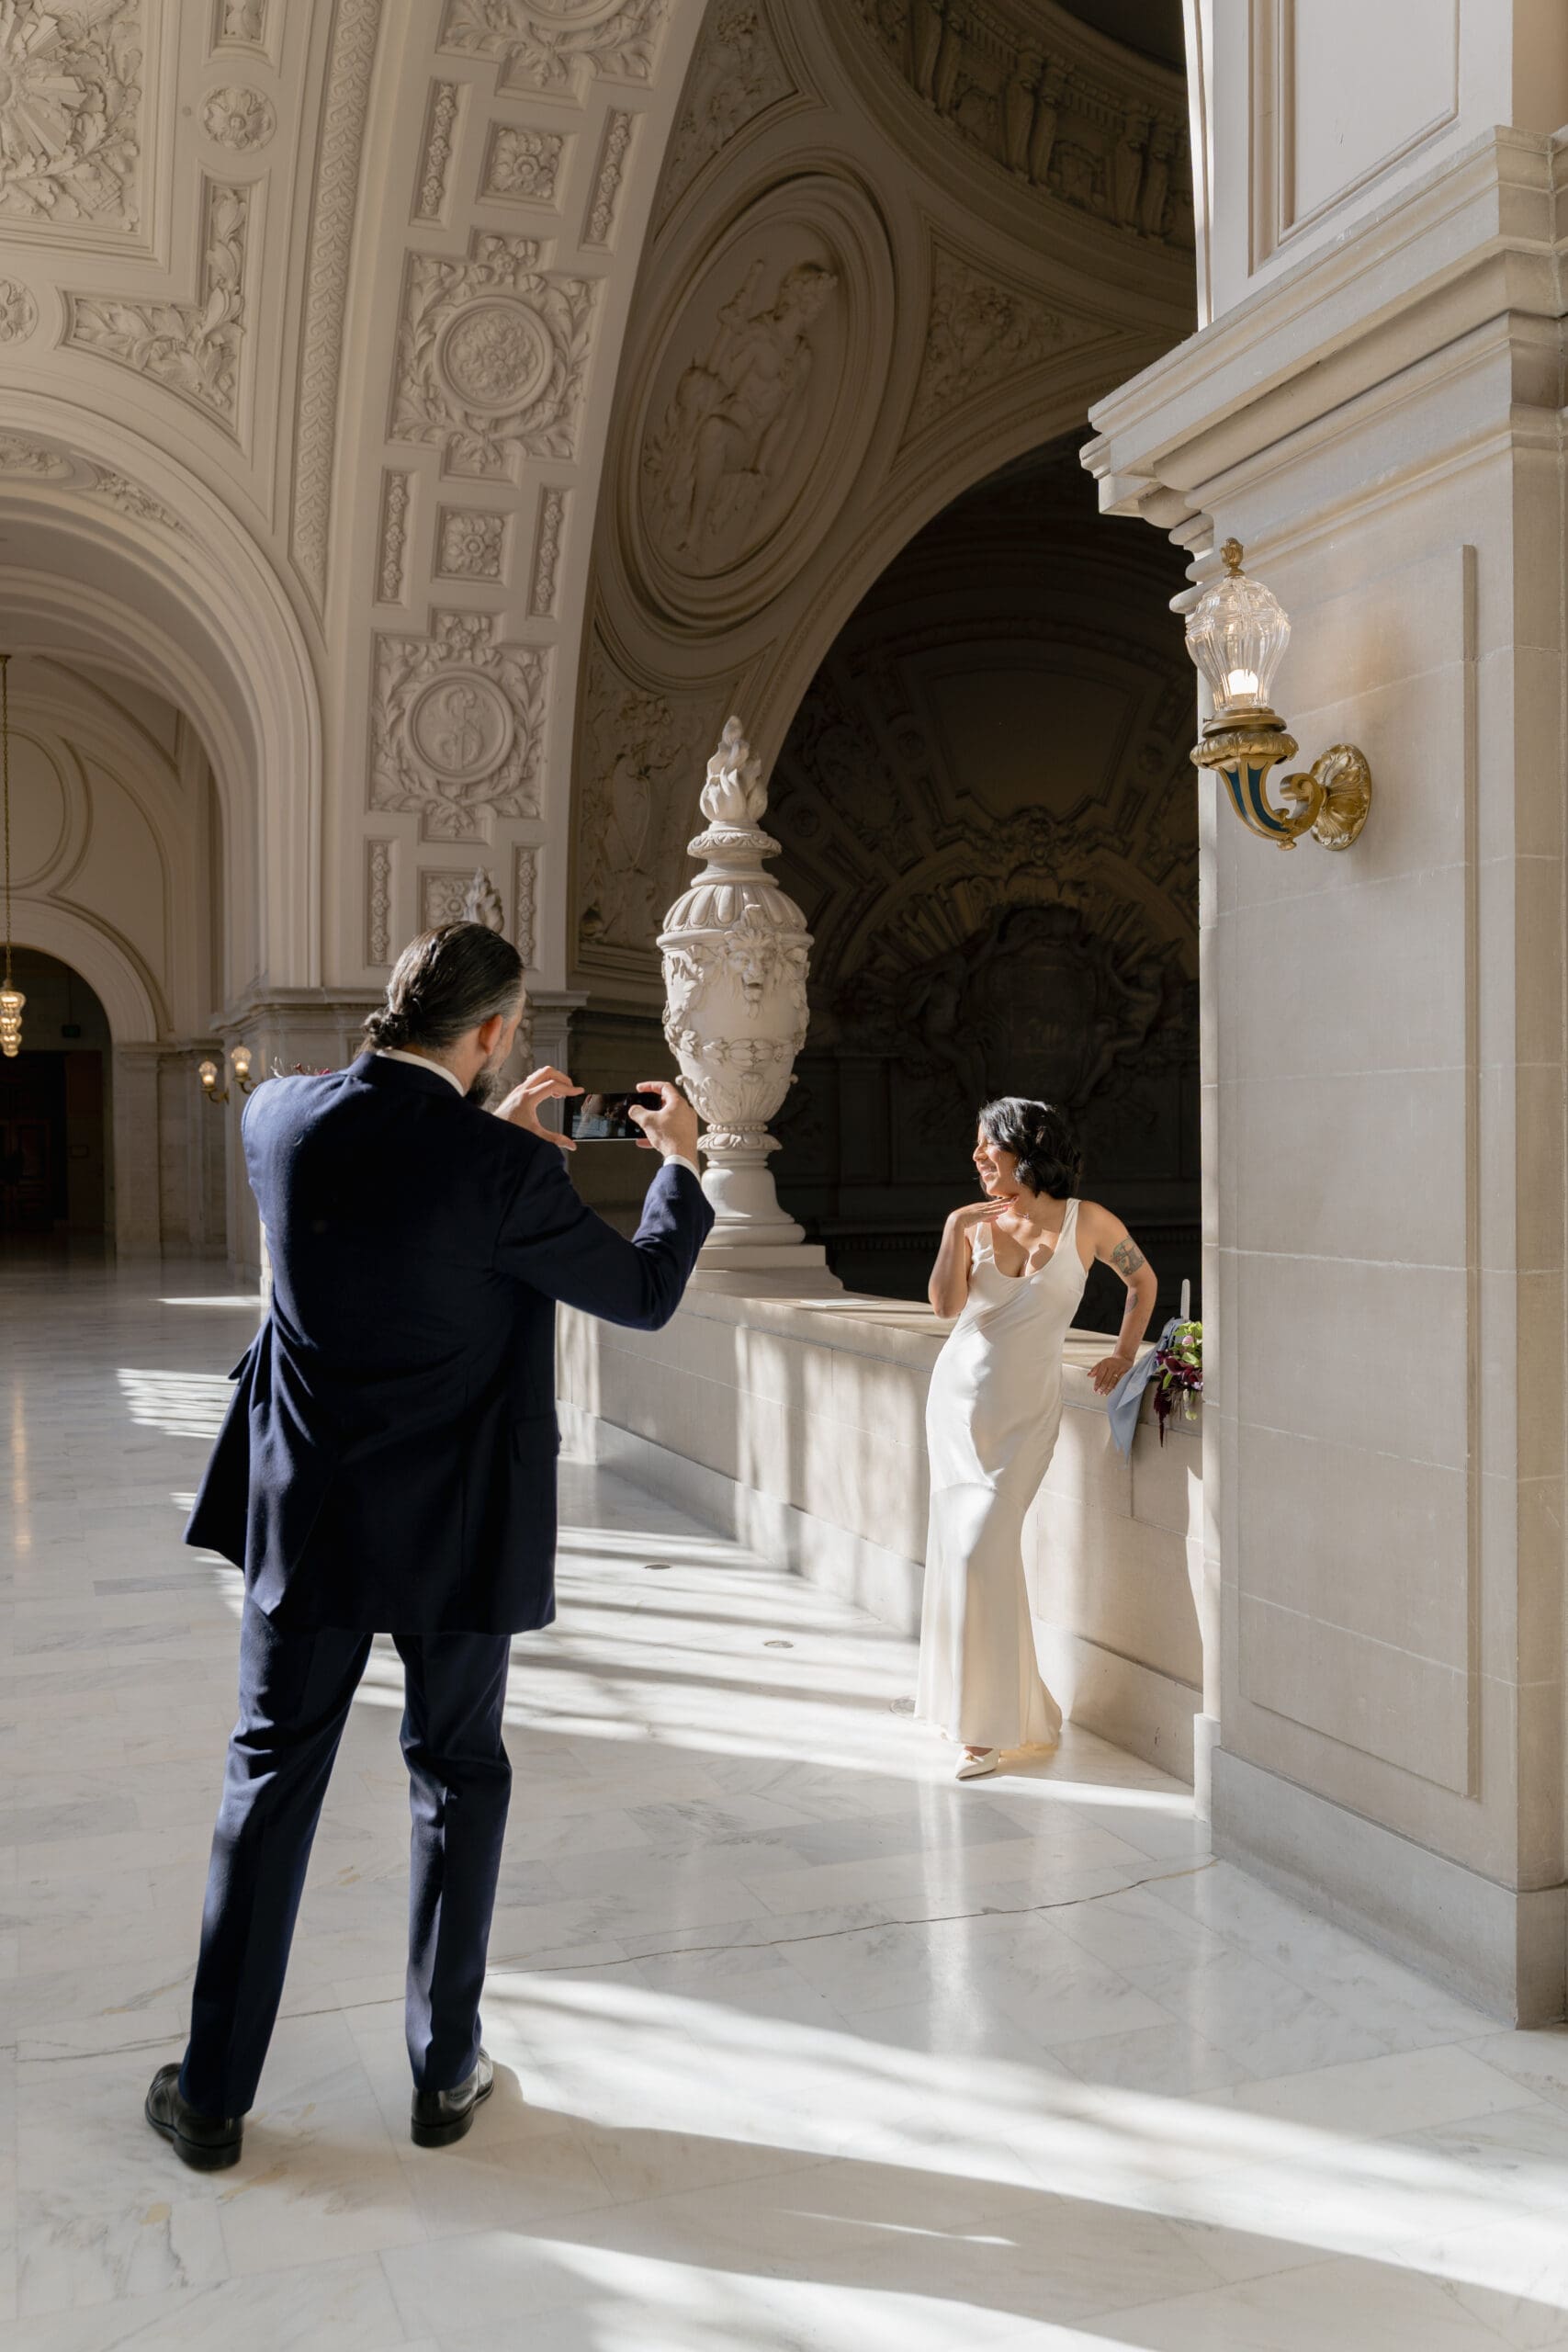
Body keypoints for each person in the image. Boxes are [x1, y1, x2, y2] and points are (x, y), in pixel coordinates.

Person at [145, 923, 713, 2171]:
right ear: (495, 1032)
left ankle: (211, 2099)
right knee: (456, 1776)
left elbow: (394, 1218)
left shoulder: (278, 1118)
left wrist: (491, 1137)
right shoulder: (503, 1177)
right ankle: (443, 2073)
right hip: (457, 1525)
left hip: (308, 1517)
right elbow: (642, 1292)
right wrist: (677, 1165)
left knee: (268, 1782)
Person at [917, 1097, 1157, 1781]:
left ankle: (991, 1720)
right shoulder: (972, 1225)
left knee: (981, 1548)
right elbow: (943, 1307)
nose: (974, 1158)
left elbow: (1142, 1282)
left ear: (1021, 1149)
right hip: (957, 1406)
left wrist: (1121, 1353)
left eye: (983, 1146)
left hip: (1025, 1414)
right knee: (967, 1554)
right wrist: (952, 1228)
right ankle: (977, 1724)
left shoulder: (1089, 1222)